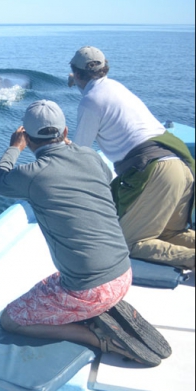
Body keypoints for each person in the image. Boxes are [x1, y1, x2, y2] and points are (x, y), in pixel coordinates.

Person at [0, 100, 160, 366]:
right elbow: (104, 181)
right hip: (124, 274)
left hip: (89, 288)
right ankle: (99, 307)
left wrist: (14, 147)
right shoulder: (90, 156)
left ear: (28, 140)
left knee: (10, 319)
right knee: (55, 281)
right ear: (66, 132)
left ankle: (98, 338)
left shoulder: (32, 174)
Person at [68, 46, 195, 270]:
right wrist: (79, 82)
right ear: (105, 67)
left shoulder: (90, 101)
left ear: (77, 74)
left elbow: (80, 153)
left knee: (129, 243)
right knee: (170, 233)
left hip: (156, 171)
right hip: (181, 166)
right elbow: (96, 92)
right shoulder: (115, 87)